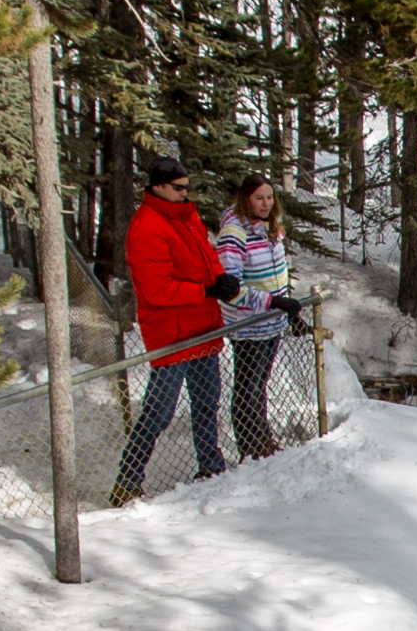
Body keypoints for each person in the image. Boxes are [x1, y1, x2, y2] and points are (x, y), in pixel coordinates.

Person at [121, 152, 227, 497]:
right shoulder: (146, 228)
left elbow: (207, 257)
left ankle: (211, 466)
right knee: (158, 412)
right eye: (179, 187)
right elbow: (157, 289)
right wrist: (206, 289)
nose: (185, 193)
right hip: (173, 335)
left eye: (187, 186)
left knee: (207, 402)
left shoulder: (186, 216)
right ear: (158, 187)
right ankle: (128, 481)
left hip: (202, 325)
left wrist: (222, 279)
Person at [214, 169, 308, 461]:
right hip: (249, 323)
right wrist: (274, 302)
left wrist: (285, 309)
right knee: (248, 384)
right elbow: (231, 288)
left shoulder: (270, 228)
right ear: (246, 198)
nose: (265, 203)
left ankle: (262, 437)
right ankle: (250, 445)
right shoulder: (234, 234)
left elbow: (275, 273)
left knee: (260, 384)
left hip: (271, 320)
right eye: (259, 198)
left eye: (269, 197)